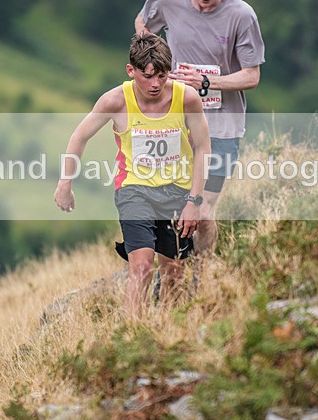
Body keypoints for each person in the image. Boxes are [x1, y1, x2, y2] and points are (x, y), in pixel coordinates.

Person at [54, 32, 210, 318]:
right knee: (140, 267)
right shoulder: (115, 101)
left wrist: (194, 201)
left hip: (178, 189)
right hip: (134, 189)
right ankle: (131, 334)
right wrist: (65, 183)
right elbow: (79, 137)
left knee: (173, 271)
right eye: (147, 76)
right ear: (131, 70)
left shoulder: (186, 98)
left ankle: (167, 333)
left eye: (161, 76)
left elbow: (203, 147)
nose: (155, 84)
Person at [134, 0, 265, 258]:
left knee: (202, 210)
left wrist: (207, 82)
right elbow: (142, 24)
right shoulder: (167, 0)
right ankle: (172, 274)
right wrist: (158, 58)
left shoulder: (241, 15)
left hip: (221, 128)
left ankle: (202, 276)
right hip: (173, 124)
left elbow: (252, 76)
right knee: (167, 207)